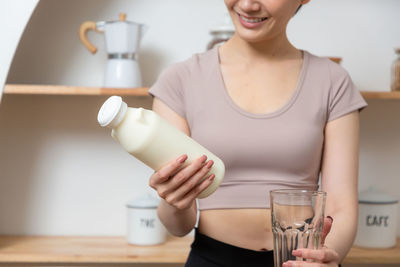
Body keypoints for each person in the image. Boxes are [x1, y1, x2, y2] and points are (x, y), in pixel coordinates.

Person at [148, 0, 368, 266]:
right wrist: (174, 201)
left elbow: (341, 208)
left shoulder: (333, 82)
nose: (249, 5)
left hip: (302, 261)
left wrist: (326, 256)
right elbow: (178, 226)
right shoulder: (180, 81)